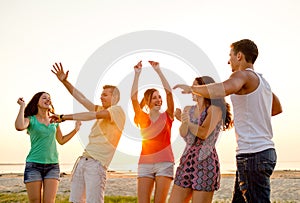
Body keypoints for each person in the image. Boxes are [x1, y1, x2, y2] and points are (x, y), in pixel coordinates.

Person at [173, 39, 282, 203]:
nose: (228, 60)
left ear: (239, 56)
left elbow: (222, 89)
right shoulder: (263, 83)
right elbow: (276, 108)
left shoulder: (242, 75)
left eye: (230, 55)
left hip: (252, 155)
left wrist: (193, 88)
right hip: (262, 153)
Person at [51, 63, 125, 203]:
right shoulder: (100, 108)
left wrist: (63, 117)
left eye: (105, 95)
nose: (101, 97)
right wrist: (64, 81)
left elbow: (93, 115)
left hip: (97, 165)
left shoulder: (117, 111)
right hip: (83, 161)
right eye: (101, 95)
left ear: (114, 97)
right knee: (75, 201)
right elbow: (82, 98)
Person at [169, 76, 233, 203]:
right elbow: (183, 133)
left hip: (206, 162)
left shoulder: (215, 110)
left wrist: (185, 121)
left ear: (205, 89)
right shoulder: (188, 109)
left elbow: (203, 133)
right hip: (187, 160)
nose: (193, 89)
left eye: (196, 87)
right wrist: (183, 121)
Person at [15, 92, 81, 203]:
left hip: (53, 166)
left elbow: (61, 140)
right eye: (44, 98)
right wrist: (22, 107)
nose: (48, 100)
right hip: (33, 165)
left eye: (49, 98)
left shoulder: (54, 120)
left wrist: (76, 130)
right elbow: (19, 126)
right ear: (37, 102)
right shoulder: (31, 119)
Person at [131, 61, 175, 203]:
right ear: (148, 101)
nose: (158, 100)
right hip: (145, 164)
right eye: (154, 97)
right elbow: (133, 98)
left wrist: (159, 71)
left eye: (159, 97)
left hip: (165, 163)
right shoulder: (142, 118)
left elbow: (169, 93)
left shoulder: (168, 116)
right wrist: (137, 74)